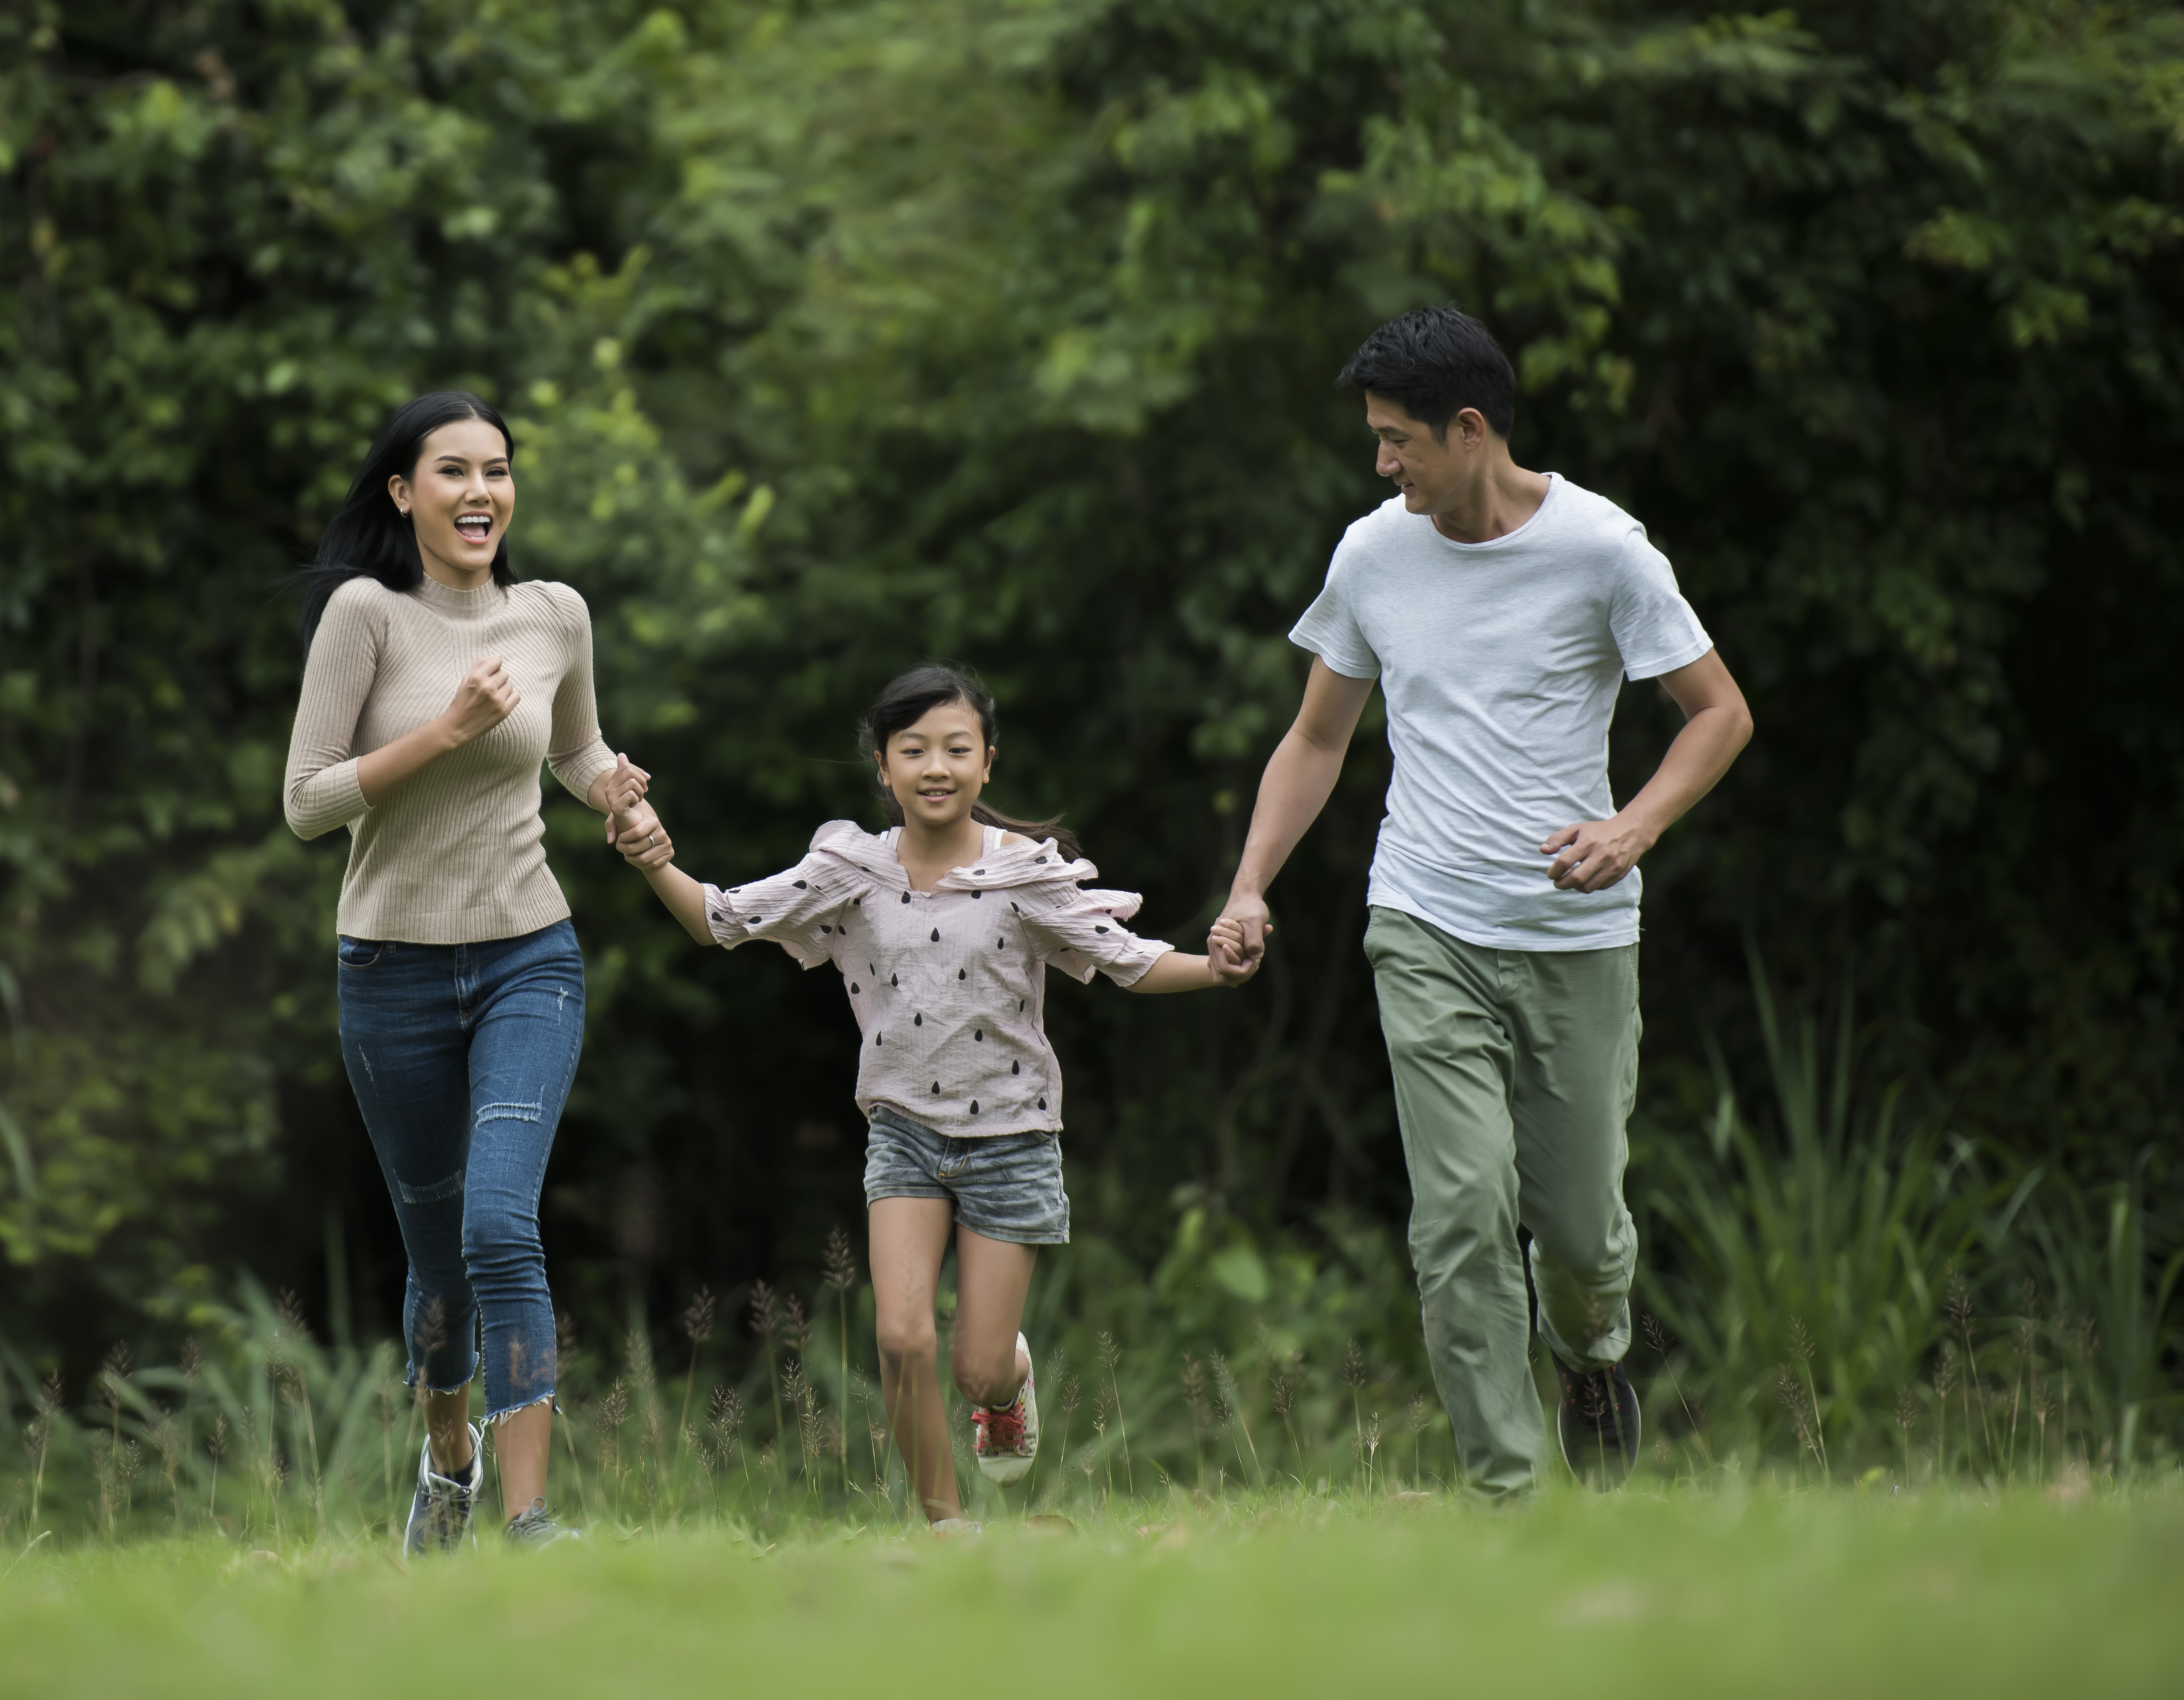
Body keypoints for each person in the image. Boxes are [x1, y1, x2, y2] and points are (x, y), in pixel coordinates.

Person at [1207, 305, 1752, 1501]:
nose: (1382, 463)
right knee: (1458, 1214)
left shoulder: (1606, 550)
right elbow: (1316, 739)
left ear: (1470, 430)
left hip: (1576, 939)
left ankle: (1594, 1355)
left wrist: (1633, 825)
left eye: (1399, 440)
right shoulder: (1372, 555)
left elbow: (1719, 713)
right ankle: (1511, 1501)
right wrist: (1250, 885)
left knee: (1581, 1235)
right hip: (1423, 921)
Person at [613, 662, 1237, 1531]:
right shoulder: (850, 870)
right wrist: (656, 859)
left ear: (987, 763)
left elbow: (1126, 961)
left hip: (1012, 1137)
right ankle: (948, 1528)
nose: (934, 766)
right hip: (902, 1132)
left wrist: (1215, 968)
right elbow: (719, 918)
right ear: (883, 767)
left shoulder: (1023, 876)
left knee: (974, 1368)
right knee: (901, 1338)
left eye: (955, 748)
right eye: (913, 750)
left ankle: (1003, 1382)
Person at [283, 390, 661, 1554]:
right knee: (439, 1265)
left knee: (504, 1223)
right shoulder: (366, 616)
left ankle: (532, 1517)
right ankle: (449, 1458)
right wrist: (440, 733)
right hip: (390, 970)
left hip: (525, 956)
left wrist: (610, 787)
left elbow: (573, 745)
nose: (481, 493)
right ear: (404, 492)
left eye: (497, 470)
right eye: (453, 471)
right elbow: (306, 803)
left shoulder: (555, 616)